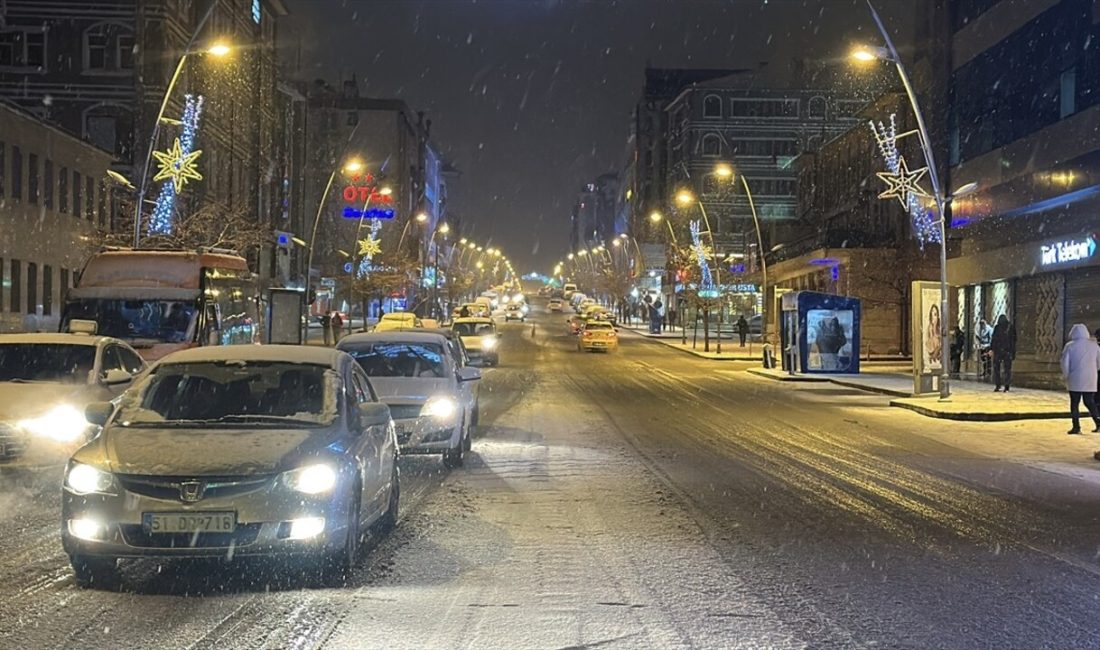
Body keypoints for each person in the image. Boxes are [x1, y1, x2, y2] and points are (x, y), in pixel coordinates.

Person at [1061, 323, 1100, 435]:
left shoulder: (1070, 346)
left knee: (1075, 404)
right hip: (1090, 379)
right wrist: (1093, 371)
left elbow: (1065, 363)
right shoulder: (1094, 346)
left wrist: (1066, 375)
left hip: (1075, 379)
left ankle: (1076, 426)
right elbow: (1099, 362)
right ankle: (1098, 422)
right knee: (1089, 402)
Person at [990, 314, 1016, 392]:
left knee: (997, 368)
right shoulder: (1011, 327)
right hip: (1007, 351)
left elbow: (994, 339)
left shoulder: (997, 328)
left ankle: (998, 385)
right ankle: (1007, 386)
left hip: (998, 351)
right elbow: (1014, 340)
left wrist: (992, 349)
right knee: (1007, 369)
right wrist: (1013, 352)